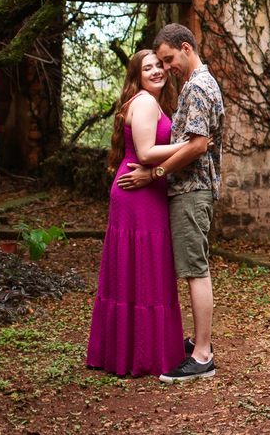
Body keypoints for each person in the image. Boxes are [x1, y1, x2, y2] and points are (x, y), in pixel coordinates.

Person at [117, 23, 225, 383]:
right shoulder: (197, 85)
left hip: (193, 190)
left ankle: (202, 355)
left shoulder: (196, 87)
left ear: (185, 47)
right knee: (193, 266)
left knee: (195, 269)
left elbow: (196, 145)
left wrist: (154, 175)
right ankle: (197, 342)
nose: (166, 68)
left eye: (168, 60)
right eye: (158, 63)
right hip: (190, 190)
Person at [86, 49, 198, 377]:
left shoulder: (150, 102)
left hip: (141, 190)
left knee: (138, 269)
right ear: (137, 75)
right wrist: (192, 144)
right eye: (147, 68)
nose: (156, 72)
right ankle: (141, 354)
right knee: (145, 267)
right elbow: (147, 153)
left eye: (159, 66)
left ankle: (127, 352)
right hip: (139, 193)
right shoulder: (147, 102)